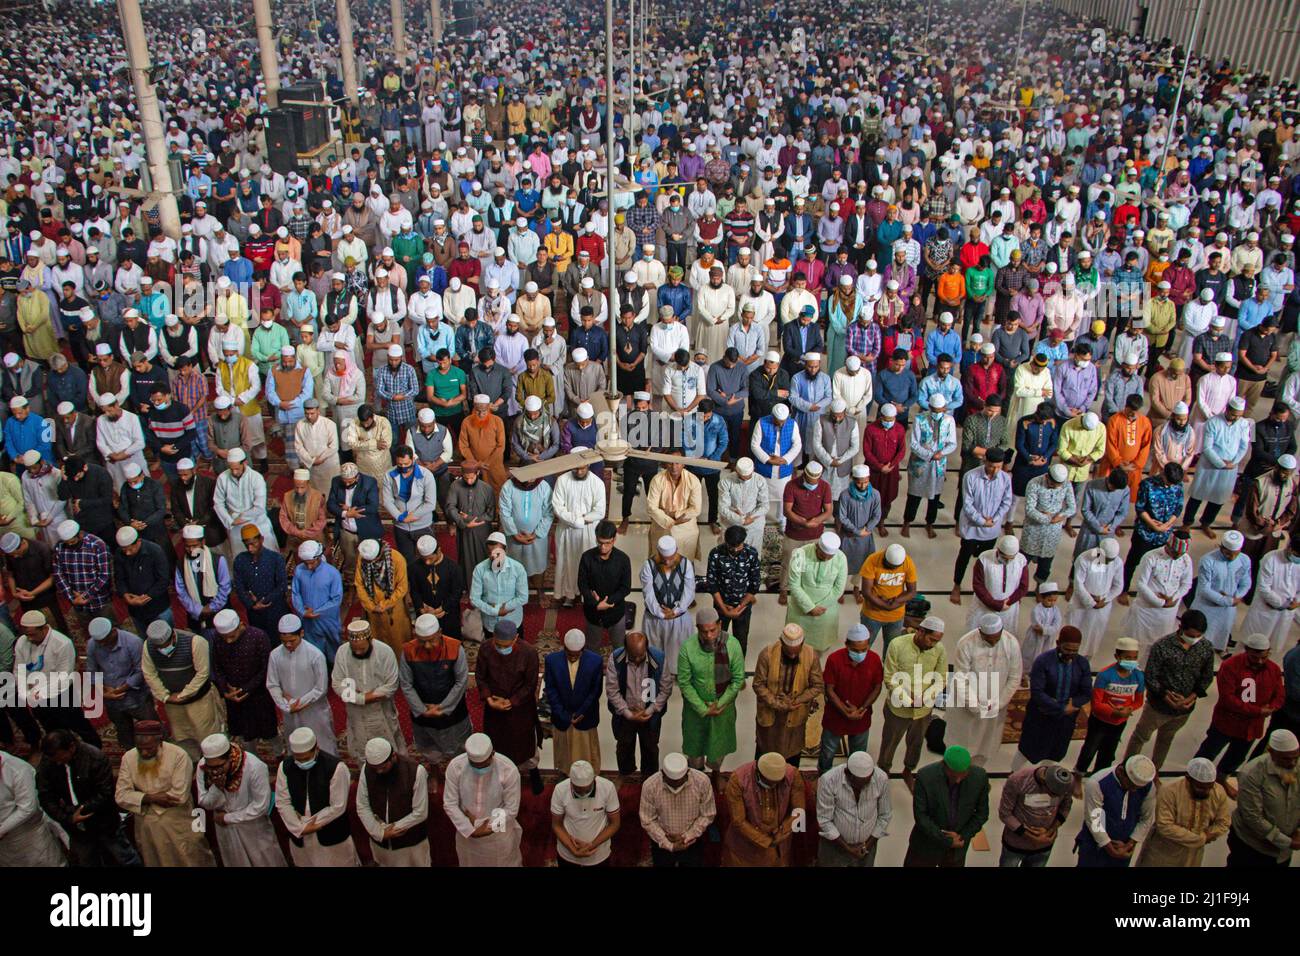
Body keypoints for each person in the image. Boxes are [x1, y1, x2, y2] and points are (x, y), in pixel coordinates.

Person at [1123, 610, 1215, 772]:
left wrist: (1191, 698)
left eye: (1198, 636)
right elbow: (1150, 676)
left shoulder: (1205, 647)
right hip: (1158, 706)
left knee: (1166, 739)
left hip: (1184, 709)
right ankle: (1127, 769)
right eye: (1190, 635)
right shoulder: (1162, 646)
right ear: (1180, 627)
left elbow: (1206, 677)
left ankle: (1156, 770)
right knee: (1140, 737)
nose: (1194, 639)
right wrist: (1166, 695)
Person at [1193, 633, 1285, 788]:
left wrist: (1273, 707)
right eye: (1255, 657)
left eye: (1264, 657)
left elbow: (1280, 693)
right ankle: (1194, 777)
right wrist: (1258, 711)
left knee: (1237, 757)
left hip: (1251, 726)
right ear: (1247, 651)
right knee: (1209, 751)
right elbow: (1228, 699)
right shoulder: (1231, 666)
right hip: (1226, 722)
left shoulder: (1273, 669)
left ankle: (1221, 780)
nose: (1260, 661)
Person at [36, 730, 140, 866]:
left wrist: (81, 810)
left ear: (72, 747)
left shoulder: (95, 757)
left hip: (103, 821)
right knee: (87, 861)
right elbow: (45, 796)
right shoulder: (49, 761)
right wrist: (68, 817)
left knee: (125, 858)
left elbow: (105, 793)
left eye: (60, 757)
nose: (57, 762)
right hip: (75, 826)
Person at [195, 732, 286, 867]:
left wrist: (228, 818)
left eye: (219, 767)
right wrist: (217, 788)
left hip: (253, 828)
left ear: (230, 758)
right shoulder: (204, 767)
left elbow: (261, 806)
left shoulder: (254, 767)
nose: (215, 772)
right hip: (226, 831)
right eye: (211, 768)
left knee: (265, 861)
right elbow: (205, 803)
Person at [139, 619, 225, 761]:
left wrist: (184, 694)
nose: (162, 649)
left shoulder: (195, 642)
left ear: (173, 636)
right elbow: (149, 673)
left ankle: (214, 759)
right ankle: (193, 760)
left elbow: (203, 673)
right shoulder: (148, 646)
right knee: (182, 734)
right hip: (172, 702)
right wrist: (165, 696)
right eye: (159, 646)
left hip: (199, 699)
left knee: (206, 732)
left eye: (165, 645)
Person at [274, 726, 358, 867]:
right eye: (298, 759)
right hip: (300, 833)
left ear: (316, 749)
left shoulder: (336, 767)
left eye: (306, 758)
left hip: (330, 832)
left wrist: (310, 824)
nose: (302, 763)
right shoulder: (285, 767)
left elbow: (338, 806)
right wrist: (298, 828)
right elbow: (282, 802)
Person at [476, 620, 544, 795]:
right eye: (498, 645)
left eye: (506, 646)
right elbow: (480, 677)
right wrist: (489, 699)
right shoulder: (485, 649)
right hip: (494, 708)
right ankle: (501, 776)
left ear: (516, 638)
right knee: (497, 744)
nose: (501, 649)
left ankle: (532, 771)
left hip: (520, 708)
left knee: (525, 745)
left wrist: (511, 701)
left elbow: (530, 685)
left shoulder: (529, 653)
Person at [678, 607, 746, 781]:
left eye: (712, 630)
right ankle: (697, 777)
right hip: (695, 710)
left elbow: (737, 680)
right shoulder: (688, 648)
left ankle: (716, 774)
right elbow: (684, 683)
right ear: (697, 629)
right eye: (704, 631)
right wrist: (703, 708)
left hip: (723, 708)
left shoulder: (733, 645)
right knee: (695, 746)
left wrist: (720, 703)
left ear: (720, 625)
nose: (709, 636)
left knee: (718, 746)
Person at [947, 614, 1023, 767]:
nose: (993, 642)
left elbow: (1015, 677)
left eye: (996, 638)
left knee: (986, 744)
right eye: (989, 639)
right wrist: (975, 705)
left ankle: (975, 774)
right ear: (980, 632)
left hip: (996, 704)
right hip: (967, 705)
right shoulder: (966, 643)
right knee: (962, 742)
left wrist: (998, 703)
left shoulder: (1011, 643)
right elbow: (961, 678)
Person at [400, 614, 472, 770]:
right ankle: (433, 769)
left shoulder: (454, 648)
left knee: (458, 745)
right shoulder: (408, 651)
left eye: (431, 640)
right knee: (428, 746)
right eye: (422, 641)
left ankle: (459, 772)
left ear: (440, 632)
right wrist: (421, 709)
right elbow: (406, 684)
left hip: (452, 710)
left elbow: (461, 681)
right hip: (423, 710)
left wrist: (444, 708)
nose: (427, 646)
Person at [1013, 626, 1091, 769]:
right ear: (1058, 643)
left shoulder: (1082, 663)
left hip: (1065, 720)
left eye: (1075, 651)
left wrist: (1073, 704)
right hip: (1041, 716)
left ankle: (1044, 779)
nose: (1071, 654)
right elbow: (1037, 692)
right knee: (1028, 750)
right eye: (1067, 649)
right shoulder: (1043, 661)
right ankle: (1014, 777)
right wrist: (1061, 707)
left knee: (1056, 752)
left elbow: (1086, 692)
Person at [442, 732, 523, 867]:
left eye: (484, 765)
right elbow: (450, 803)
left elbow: (511, 809)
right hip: (467, 834)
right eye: (475, 765)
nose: (479, 769)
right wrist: (469, 829)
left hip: (498, 836)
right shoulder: (456, 767)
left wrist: (485, 827)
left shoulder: (508, 770)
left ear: (493, 754)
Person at [1135, 758, 1230, 867]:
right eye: (1200, 787)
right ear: (1188, 779)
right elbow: (1164, 825)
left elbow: (1224, 822)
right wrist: (1200, 838)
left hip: (1194, 854)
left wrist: (1208, 834)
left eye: (1209, 787)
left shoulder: (1218, 791)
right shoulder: (1169, 790)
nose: (1206, 791)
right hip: (1164, 851)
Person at [905, 745, 990, 868]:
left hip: (957, 849)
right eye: (954, 776)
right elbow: (921, 816)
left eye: (963, 775)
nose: (958, 780)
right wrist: (947, 840)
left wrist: (962, 837)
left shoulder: (979, 777)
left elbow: (982, 814)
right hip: (926, 845)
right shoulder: (925, 777)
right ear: (944, 766)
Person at [331, 619, 404, 759]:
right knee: (362, 753)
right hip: (356, 713)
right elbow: (337, 683)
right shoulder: (342, 652)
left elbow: (392, 685)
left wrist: (365, 697)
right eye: (354, 649)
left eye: (362, 649)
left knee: (389, 752)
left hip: (382, 711)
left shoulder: (384, 651)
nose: (358, 652)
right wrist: (359, 698)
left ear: (370, 639)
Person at [267, 614, 338, 756]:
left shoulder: (315, 655)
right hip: (289, 712)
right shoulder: (275, 655)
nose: (288, 645)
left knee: (323, 746)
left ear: (302, 633)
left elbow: (320, 688)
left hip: (314, 711)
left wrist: (299, 703)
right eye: (284, 641)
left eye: (292, 641)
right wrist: (285, 705)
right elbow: (272, 684)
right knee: (295, 747)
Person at [1227, 729, 1300, 867]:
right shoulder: (1252, 773)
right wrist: (1287, 842)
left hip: (1283, 852)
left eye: (1295, 757)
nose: (1292, 763)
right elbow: (1252, 817)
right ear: (1271, 752)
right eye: (1286, 758)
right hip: (1252, 847)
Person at [754, 623, 825, 764]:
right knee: (765, 757)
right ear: (781, 643)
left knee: (791, 758)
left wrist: (796, 700)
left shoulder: (811, 656)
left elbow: (817, 686)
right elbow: (758, 684)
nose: (792, 655)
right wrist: (778, 704)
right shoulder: (767, 654)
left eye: (796, 652)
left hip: (796, 713)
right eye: (788, 652)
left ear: (802, 644)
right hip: (770, 714)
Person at [208, 609, 279, 751]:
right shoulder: (217, 638)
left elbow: (266, 669)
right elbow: (217, 666)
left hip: (258, 694)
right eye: (225, 637)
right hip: (234, 697)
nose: (228, 641)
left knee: (268, 731)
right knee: (244, 734)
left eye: (232, 636)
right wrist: (225, 689)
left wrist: (247, 689)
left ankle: (279, 754)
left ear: (240, 625)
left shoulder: (258, 636)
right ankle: (251, 758)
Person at [356, 738, 432, 868]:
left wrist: (393, 828)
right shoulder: (367, 769)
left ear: (393, 757)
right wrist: (378, 832)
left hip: (411, 843)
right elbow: (362, 805)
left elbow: (420, 812)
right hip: (381, 843)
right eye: (375, 768)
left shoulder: (415, 771)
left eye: (383, 767)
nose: (379, 771)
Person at [605, 631, 672, 775]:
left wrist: (649, 711)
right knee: (624, 747)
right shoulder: (616, 658)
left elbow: (665, 689)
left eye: (640, 655)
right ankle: (626, 775)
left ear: (647, 648)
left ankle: (649, 779)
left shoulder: (658, 658)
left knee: (650, 748)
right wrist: (629, 714)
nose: (636, 659)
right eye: (632, 655)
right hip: (624, 714)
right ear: (625, 649)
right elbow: (612, 690)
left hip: (650, 714)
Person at [722, 751, 806, 867]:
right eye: (770, 783)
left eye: (777, 783)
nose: (773, 786)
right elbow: (738, 821)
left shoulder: (792, 775)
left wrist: (782, 832)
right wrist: (766, 841)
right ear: (758, 773)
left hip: (779, 847)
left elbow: (799, 811)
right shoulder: (738, 779)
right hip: (744, 848)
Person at [83, 617, 155, 752]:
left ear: (114, 632)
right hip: (112, 700)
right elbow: (91, 671)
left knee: (151, 728)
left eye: (105, 641)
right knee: (124, 732)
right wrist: (103, 690)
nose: (103, 645)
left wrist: (122, 689)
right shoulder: (93, 644)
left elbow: (142, 671)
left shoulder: (133, 642)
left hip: (137, 696)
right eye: (100, 643)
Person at [1077, 638, 1146, 776]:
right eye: (1127, 658)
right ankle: (1078, 776)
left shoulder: (1138, 676)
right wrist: (1114, 712)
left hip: (1119, 723)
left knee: (1108, 753)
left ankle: (1099, 776)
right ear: (1117, 657)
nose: (1131, 661)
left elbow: (1139, 701)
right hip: (1100, 722)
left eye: (1134, 657)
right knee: (1089, 750)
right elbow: (1096, 704)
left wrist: (1129, 709)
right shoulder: (1105, 675)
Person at [1183, 397, 1253, 535]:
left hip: (1231, 466)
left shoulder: (1244, 424)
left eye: (1239, 416)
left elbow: (1244, 446)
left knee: (1219, 497)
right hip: (1209, 465)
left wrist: (1233, 462)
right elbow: (1207, 448)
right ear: (1227, 409)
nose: (1236, 418)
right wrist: (1221, 464)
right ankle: (1187, 523)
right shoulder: (1213, 422)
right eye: (1233, 414)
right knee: (1197, 495)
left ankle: (1206, 523)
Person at [951, 447, 1013, 600]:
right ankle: (956, 585)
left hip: (991, 529)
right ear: (985, 461)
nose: (995, 470)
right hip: (971, 527)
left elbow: (1006, 502)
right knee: (964, 557)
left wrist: (995, 519)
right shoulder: (971, 477)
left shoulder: (1005, 479)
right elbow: (967, 504)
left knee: (985, 559)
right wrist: (981, 521)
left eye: (999, 467)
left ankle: (981, 587)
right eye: (992, 466)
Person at [1077, 754, 1157, 867]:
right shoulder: (1097, 782)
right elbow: (1094, 820)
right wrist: (1110, 848)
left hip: (1124, 847)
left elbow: (1146, 819)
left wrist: (1129, 845)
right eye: (1131, 785)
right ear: (1120, 771)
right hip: (1094, 846)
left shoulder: (1147, 785)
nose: (1134, 790)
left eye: (1138, 787)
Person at [639, 752, 717, 868]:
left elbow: (708, 814)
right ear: (662, 774)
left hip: (692, 842)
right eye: (671, 782)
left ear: (688, 773)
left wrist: (687, 836)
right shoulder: (650, 785)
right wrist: (668, 843)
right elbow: (647, 820)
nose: (675, 786)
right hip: (662, 843)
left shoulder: (702, 781)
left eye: (679, 781)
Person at [816, 751, 891, 867]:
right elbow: (824, 819)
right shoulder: (828, 780)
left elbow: (885, 815)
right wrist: (848, 848)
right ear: (847, 773)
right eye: (859, 785)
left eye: (867, 782)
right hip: (834, 846)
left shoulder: (881, 779)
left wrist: (867, 845)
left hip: (867, 848)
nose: (863, 788)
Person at [545, 628, 604, 774]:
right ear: (564, 648)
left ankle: (588, 775)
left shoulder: (595, 661)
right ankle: (565, 773)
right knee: (564, 754)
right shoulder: (552, 660)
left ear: (583, 650)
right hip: (562, 717)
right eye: (569, 654)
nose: (572, 658)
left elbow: (595, 691)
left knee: (586, 753)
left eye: (576, 655)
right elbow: (551, 689)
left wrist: (581, 712)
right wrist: (562, 713)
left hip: (585, 716)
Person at [998, 763, 1075, 868]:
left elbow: (1066, 807)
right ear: (1044, 782)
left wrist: (1052, 830)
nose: (1056, 797)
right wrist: (1031, 837)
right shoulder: (1019, 780)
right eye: (1052, 793)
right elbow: (1005, 814)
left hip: (1045, 845)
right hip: (1015, 845)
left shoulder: (1068, 783)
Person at [902, 392, 957, 538]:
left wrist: (941, 453)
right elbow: (914, 444)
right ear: (930, 408)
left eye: (940, 411)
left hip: (938, 465)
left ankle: (930, 523)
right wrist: (929, 455)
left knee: (935, 496)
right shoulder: (920, 419)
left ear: (944, 408)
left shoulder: (949, 420)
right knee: (914, 494)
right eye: (934, 410)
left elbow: (952, 443)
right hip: (920, 464)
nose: (937, 414)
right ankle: (907, 522)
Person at [1189, 530, 1253, 656]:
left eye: (1235, 554)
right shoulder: (1208, 560)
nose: (1232, 557)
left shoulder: (1244, 560)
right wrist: (1226, 600)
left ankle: (1220, 648)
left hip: (1229, 606)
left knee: (1223, 629)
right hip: (1207, 605)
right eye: (1228, 554)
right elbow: (1204, 589)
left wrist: (1237, 596)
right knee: (1202, 632)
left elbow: (1246, 582)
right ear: (1221, 548)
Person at [0, 745, 66, 867]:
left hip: (28, 833)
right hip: (4, 844)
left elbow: (28, 808)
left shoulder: (17, 768)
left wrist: (1, 829)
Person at [552, 458, 605, 607]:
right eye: (576, 469)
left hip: (588, 531)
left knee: (587, 565)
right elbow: (557, 506)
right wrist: (574, 520)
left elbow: (599, 511)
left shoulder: (597, 483)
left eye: (582, 468)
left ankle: (587, 596)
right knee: (567, 563)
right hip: (567, 529)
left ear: (588, 465)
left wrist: (582, 520)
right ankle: (569, 594)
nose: (579, 471)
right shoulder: (562, 480)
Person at [1240, 535, 1300, 662]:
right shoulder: (1270, 559)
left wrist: (1296, 602)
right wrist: (1283, 604)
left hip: (1285, 614)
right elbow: (1263, 587)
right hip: (1264, 610)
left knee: (1273, 645)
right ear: (1289, 547)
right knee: (1251, 643)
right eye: (1297, 554)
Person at [551, 760, 620, 868]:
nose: (583, 794)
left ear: (593, 780)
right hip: (567, 855)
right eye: (578, 790)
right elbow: (557, 824)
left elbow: (614, 823)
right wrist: (572, 849)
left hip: (599, 856)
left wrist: (592, 845)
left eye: (587, 790)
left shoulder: (607, 788)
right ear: (571, 783)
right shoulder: (560, 790)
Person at [1065, 537, 1125, 659]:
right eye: (1106, 559)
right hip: (1081, 604)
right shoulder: (1084, 559)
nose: (1108, 562)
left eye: (1111, 560)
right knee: (1076, 631)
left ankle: (1087, 658)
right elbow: (1078, 585)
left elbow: (1118, 585)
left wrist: (1106, 599)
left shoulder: (1117, 562)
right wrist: (1091, 602)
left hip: (1103, 606)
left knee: (1094, 634)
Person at [577, 522, 632, 651]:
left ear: (614, 540)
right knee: (592, 647)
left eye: (607, 543)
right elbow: (582, 584)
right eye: (600, 543)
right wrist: (595, 603)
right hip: (593, 612)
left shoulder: (623, 559)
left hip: (615, 611)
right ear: (596, 538)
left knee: (619, 648)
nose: (603, 547)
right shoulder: (587, 557)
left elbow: (625, 588)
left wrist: (608, 602)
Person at [354, 538, 412, 657]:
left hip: (394, 608)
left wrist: (384, 605)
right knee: (377, 642)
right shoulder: (362, 558)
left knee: (398, 641)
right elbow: (359, 584)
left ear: (380, 554)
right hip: (373, 609)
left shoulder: (397, 559)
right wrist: (371, 606)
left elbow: (402, 587)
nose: (370, 563)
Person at [327, 462, 383, 580]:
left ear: (357, 477)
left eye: (350, 481)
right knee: (349, 559)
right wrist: (346, 513)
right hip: (346, 530)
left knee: (370, 558)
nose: (347, 484)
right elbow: (331, 504)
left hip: (367, 529)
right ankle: (351, 580)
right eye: (344, 481)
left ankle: (369, 580)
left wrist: (352, 509)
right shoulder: (336, 481)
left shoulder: (369, 482)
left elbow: (373, 506)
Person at [230, 527, 290, 639]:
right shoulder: (240, 560)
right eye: (246, 545)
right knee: (259, 640)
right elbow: (239, 587)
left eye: (253, 544)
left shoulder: (275, 558)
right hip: (254, 612)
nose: (250, 548)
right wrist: (252, 604)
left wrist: (264, 601)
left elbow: (282, 585)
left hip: (275, 608)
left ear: (261, 539)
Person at [498, 474, 553, 594]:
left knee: (538, 565)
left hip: (537, 538)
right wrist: (514, 534)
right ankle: (517, 593)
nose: (529, 480)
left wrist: (536, 534)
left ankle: (539, 592)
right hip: (514, 537)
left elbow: (548, 513)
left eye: (532, 476)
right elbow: (504, 512)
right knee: (515, 566)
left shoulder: (543, 486)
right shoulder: (508, 486)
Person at [174, 523, 232, 631]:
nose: (191, 550)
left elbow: (225, 587)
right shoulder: (180, 564)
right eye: (187, 546)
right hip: (196, 615)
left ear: (203, 542)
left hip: (219, 612)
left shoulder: (218, 560)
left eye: (194, 546)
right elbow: (181, 591)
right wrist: (198, 609)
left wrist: (211, 607)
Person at [446, 460, 496, 580]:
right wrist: (462, 522)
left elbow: (491, 514)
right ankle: (467, 586)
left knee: (483, 557)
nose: (469, 481)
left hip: (482, 531)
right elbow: (450, 507)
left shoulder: (487, 488)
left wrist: (470, 519)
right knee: (465, 559)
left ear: (477, 473)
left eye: (472, 478)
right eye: (466, 478)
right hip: (464, 530)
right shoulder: (455, 486)